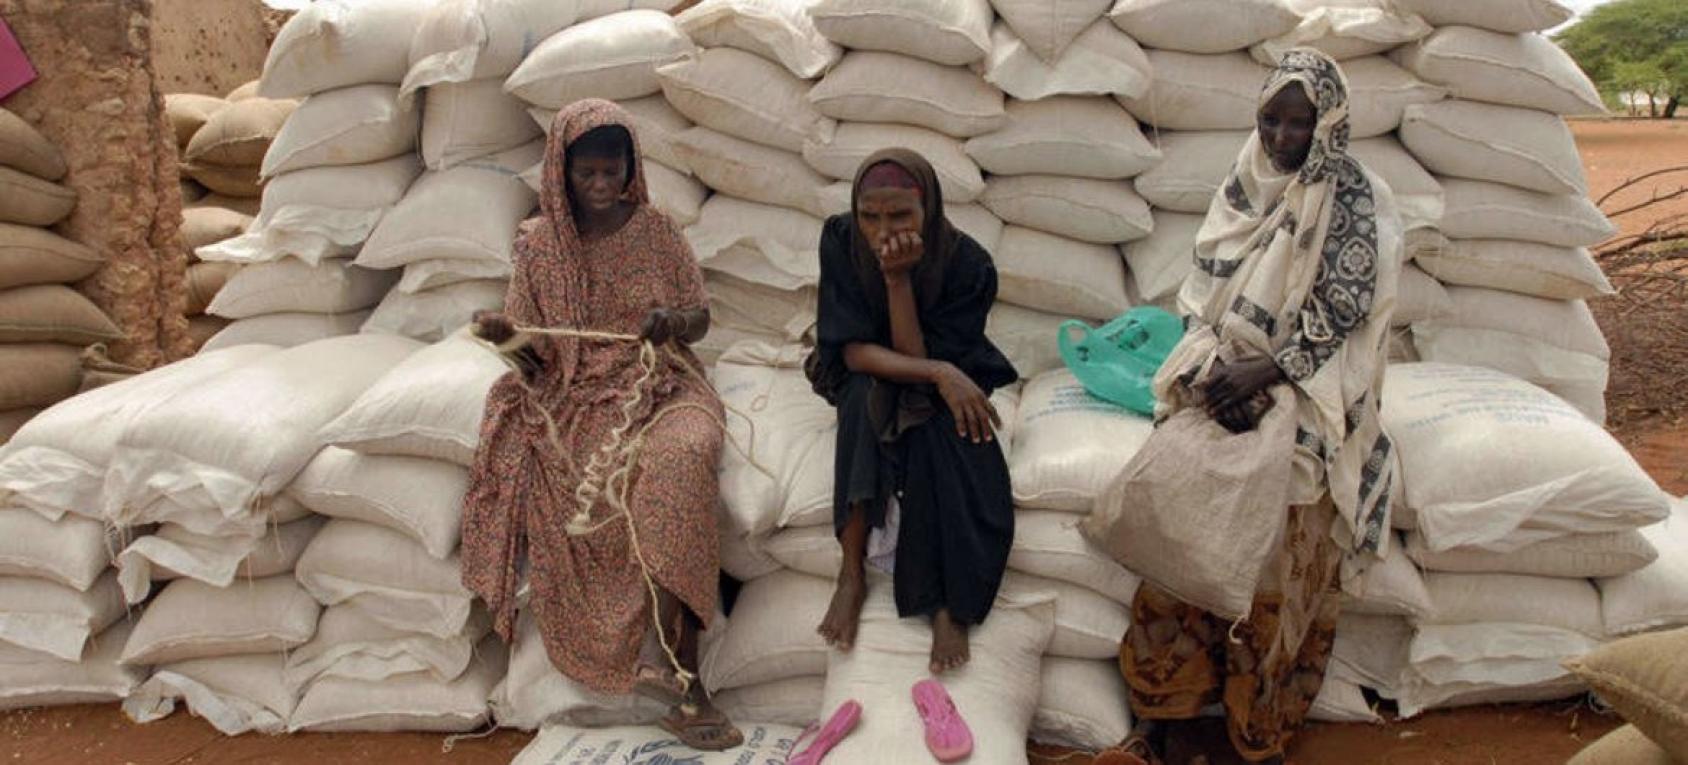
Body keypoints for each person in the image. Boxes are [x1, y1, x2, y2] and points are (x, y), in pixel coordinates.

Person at [1115, 49, 1402, 764]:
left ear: (1328, 125)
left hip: (1314, 381)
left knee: (1289, 504)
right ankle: (1156, 715)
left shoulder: (1356, 198)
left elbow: (1345, 315)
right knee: (1179, 499)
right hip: (1227, 371)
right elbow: (1201, 297)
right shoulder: (1244, 182)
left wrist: (1266, 374)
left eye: (1298, 123)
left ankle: (1256, 726)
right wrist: (1217, 373)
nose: (1279, 138)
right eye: (1269, 119)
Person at [460, 99, 740, 751]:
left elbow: (700, 317)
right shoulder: (537, 247)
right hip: (574, 401)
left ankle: (687, 677)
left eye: (612, 171)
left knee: (680, 463)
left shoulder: (658, 231)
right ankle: (625, 666)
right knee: (582, 488)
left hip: (662, 385)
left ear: (629, 167)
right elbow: (534, 359)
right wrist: (505, 339)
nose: (601, 185)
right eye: (587, 173)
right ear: (561, 172)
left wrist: (673, 321)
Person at [807, 149, 1018, 675]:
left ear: (929, 209)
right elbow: (853, 351)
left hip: (940, 360)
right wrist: (937, 375)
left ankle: (950, 604)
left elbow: (925, 357)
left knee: (949, 435)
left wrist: (899, 282)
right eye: (870, 216)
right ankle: (851, 571)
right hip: (869, 366)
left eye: (900, 216)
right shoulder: (840, 240)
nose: (882, 231)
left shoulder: (967, 264)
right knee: (862, 399)